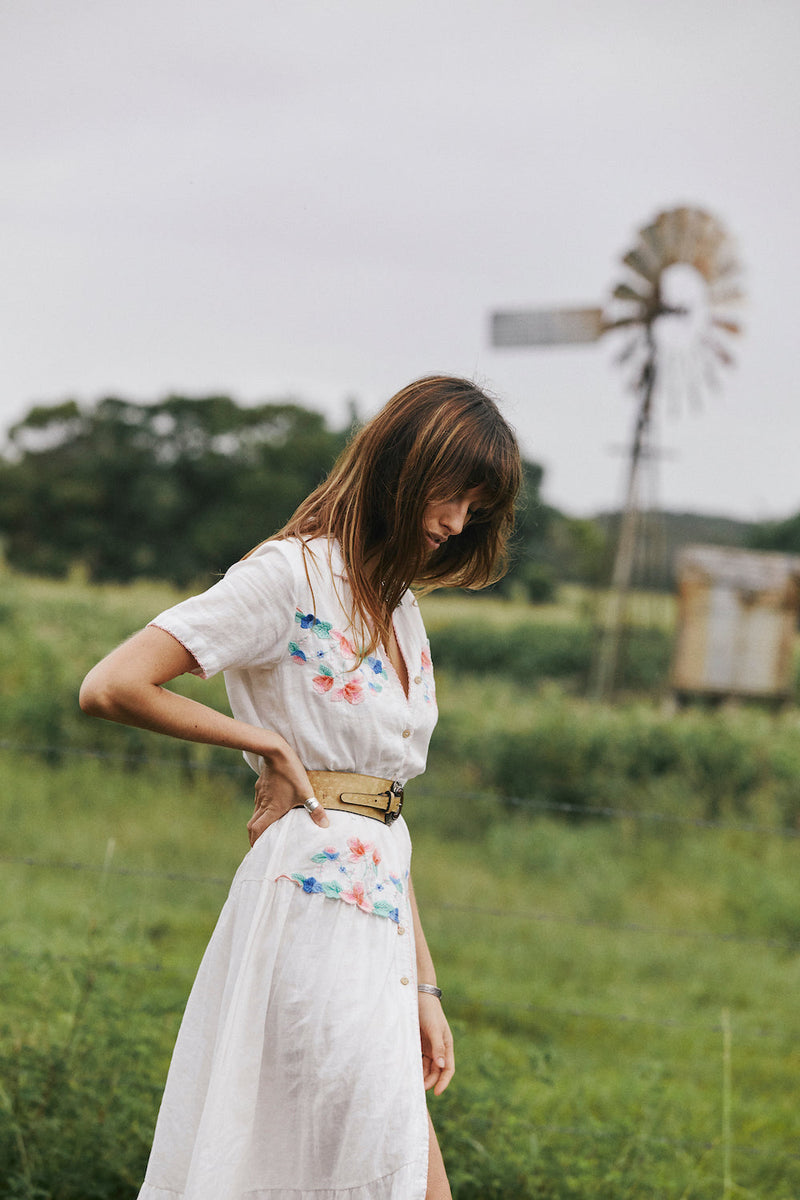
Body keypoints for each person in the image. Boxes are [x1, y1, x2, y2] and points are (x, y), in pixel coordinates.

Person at [79, 375, 522, 1200]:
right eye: (448, 493)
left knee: (380, 1177)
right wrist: (264, 742)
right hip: (309, 915)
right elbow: (113, 684)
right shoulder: (289, 578)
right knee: (385, 1179)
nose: (456, 522)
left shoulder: (399, 609)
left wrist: (423, 987)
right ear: (396, 463)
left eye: (476, 506)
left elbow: (384, 814)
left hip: (378, 928)